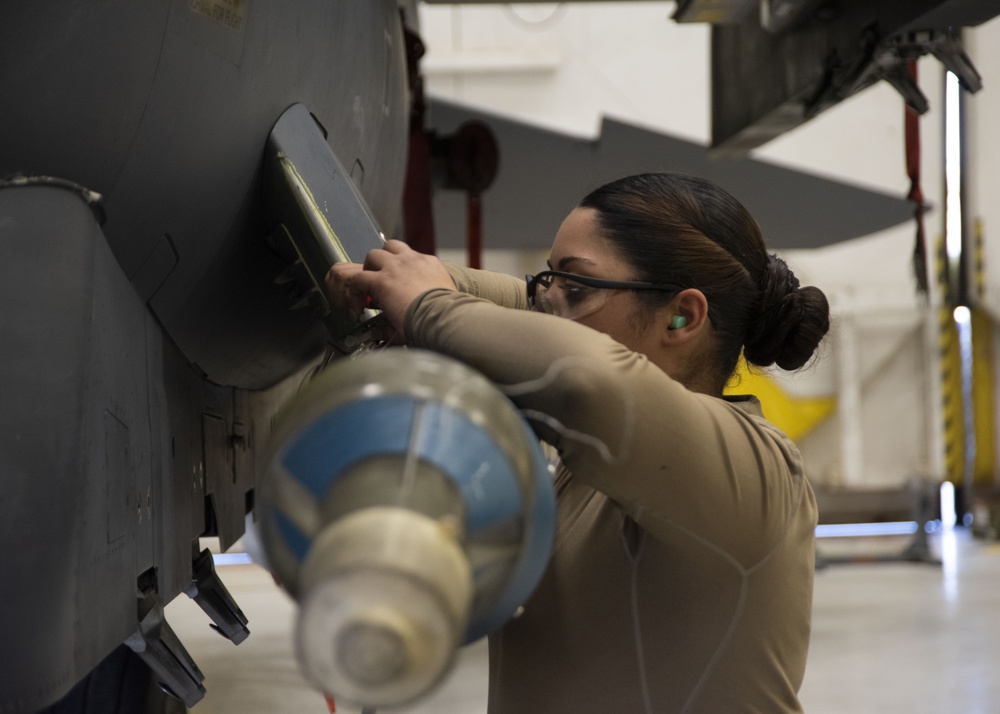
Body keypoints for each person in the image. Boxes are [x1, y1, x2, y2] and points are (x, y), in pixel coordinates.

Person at [326, 172, 830, 713]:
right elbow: (536, 317)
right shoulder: (592, 462)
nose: (549, 306)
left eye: (576, 287)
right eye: (549, 284)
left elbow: (588, 377)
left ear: (682, 316)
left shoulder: (760, 474)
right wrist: (411, 279)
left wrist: (430, 306)